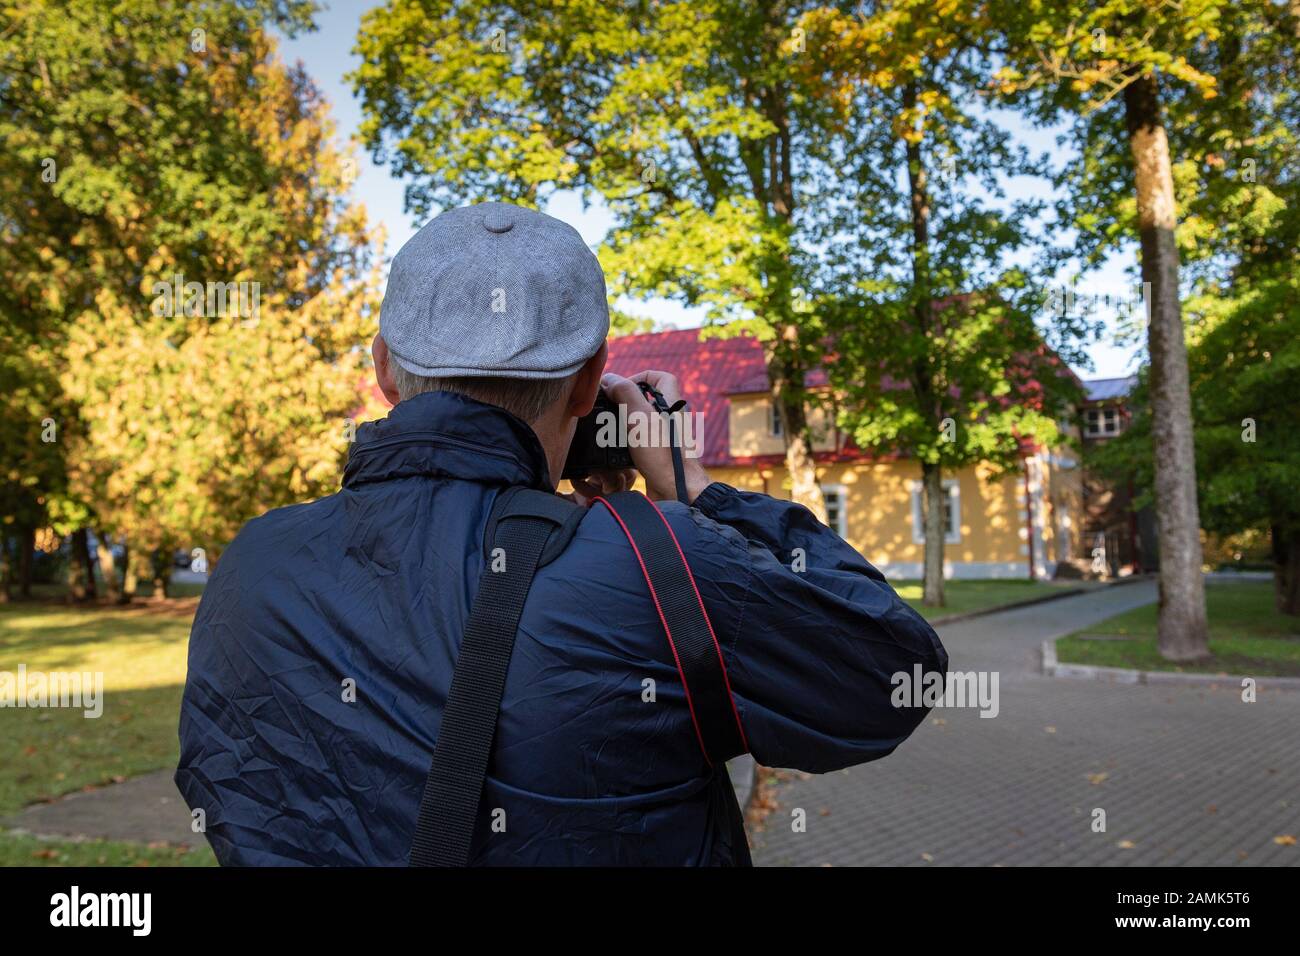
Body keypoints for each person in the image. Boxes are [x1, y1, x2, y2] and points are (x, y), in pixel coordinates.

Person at [175, 201, 948, 866]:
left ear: (383, 369)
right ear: (589, 381)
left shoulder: (255, 567)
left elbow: (226, 784)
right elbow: (891, 672)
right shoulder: (654, 564)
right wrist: (693, 491)